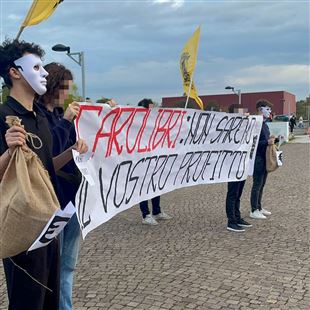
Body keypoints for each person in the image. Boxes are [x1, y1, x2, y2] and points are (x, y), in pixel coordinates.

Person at [0, 39, 87, 310]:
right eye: (36, 66)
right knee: (27, 301)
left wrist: (72, 151)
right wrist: (8, 151)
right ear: (14, 72)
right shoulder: (3, 116)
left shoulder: (41, 117)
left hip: (49, 222)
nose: (45, 73)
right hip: (21, 224)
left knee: (50, 298)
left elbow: (47, 167)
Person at [37, 62, 82, 310]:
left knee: (68, 266)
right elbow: (50, 153)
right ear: (54, 85)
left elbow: (75, 147)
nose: (67, 93)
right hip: (53, 203)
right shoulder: (39, 117)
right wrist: (66, 121)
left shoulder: (60, 114)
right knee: (53, 268)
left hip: (72, 202)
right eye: (65, 88)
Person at [137, 98, 172, 225]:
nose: (152, 112)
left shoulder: (154, 124)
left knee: (155, 185)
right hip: (141, 161)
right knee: (143, 188)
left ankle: (156, 211)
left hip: (154, 160)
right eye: (149, 109)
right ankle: (145, 215)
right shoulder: (135, 125)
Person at [225, 104, 252, 232]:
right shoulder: (229, 129)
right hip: (232, 167)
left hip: (242, 165)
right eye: (241, 112)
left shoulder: (244, 127)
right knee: (232, 193)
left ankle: (237, 216)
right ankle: (231, 221)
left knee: (238, 193)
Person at [250, 99, 274, 219]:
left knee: (262, 184)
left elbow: (265, 141)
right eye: (268, 109)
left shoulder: (264, 124)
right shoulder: (255, 124)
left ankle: (259, 207)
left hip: (264, 157)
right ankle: (254, 209)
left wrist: (275, 140)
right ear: (260, 109)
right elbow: (252, 143)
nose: (270, 111)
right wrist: (266, 142)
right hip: (258, 158)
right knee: (257, 184)